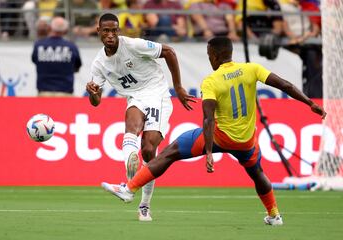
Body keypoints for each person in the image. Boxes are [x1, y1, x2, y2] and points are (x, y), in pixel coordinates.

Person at [101, 36, 327, 225]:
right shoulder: (252, 69)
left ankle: (129, 189)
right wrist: (310, 103)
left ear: (216, 56)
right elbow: (286, 86)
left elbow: (208, 119)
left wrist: (208, 152)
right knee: (257, 174)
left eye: (209, 55)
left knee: (170, 152)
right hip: (246, 142)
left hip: (219, 138)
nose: (209, 59)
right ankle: (274, 214)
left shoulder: (211, 81)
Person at [86, 13, 195, 221]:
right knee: (131, 128)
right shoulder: (99, 64)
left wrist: (178, 87)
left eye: (114, 30)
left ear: (119, 31)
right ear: (98, 31)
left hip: (157, 94)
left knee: (148, 150)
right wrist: (93, 92)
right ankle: (128, 182)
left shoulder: (133, 45)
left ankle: (144, 204)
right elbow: (96, 101)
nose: (110, 35)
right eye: (106, 31)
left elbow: (169, 52)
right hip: (135, 97)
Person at [32, 16, 82, 96]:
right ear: (65, 30)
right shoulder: (71, 47)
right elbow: (77, 66)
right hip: (65, 92)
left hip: (44, 92)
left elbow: (34, 60)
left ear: (50, 27)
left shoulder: (39, 45)